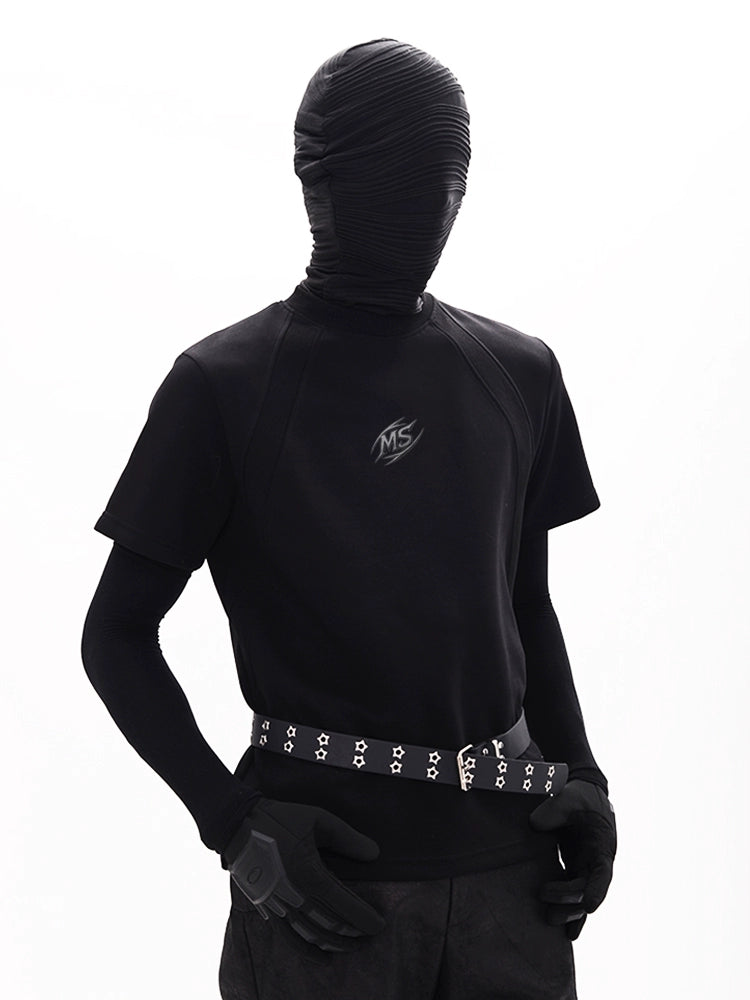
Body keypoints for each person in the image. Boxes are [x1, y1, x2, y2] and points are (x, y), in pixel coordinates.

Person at [81, 37, 617, 1000]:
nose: (433, 203)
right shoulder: (225, 387)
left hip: (514, 875)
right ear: (315, 180)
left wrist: (583, 776)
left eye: (451, 175)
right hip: (325, 890)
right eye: (403, 175)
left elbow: (524, 604)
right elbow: (115, 634)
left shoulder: (519, 373)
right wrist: (232, 825)